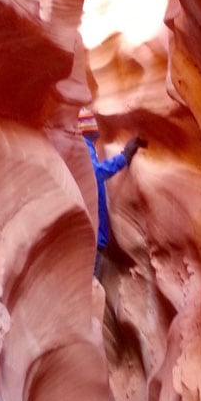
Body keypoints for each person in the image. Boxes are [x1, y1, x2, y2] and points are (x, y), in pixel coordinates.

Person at [78, 109, 147, 276]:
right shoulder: (83, 146)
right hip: (91, 239)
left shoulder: (87, 147)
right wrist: (123, 157)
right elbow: (94, 174)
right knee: (89, 290)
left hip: (92, 237)